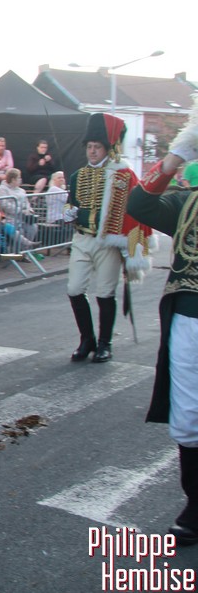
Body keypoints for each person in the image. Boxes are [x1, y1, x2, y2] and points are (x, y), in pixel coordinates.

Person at [127, 109, 198, 546]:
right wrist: (177, 155)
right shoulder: (188, 201)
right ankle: (196, 505)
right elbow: (139, 205)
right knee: (189, 418)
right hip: (191, 316)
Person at [65, 114, 152, 363]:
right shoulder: (77, 176)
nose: (92, 151)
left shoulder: (122, 175)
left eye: (97, 147)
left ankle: (105, 343)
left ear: (107, 149)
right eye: (89, 147)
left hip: (107, 243)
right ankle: (86, 339)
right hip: (82, 239)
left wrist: (131, 248)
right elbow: (72, 202)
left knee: (105, 293)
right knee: (74, 289)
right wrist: (69, 211)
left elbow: (135, 212)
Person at [0, 168, 38, 248]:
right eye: (19, 178)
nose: (20, 179)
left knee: (33, 227)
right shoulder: (2, 189)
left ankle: (25, 250)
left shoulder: (22, 191)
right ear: (13, 179)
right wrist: (20, 210)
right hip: (8, 218)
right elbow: (4, 205)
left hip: (23, 218)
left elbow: (27, 203)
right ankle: (18, 251)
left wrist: (29, 210)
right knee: (20, 231)